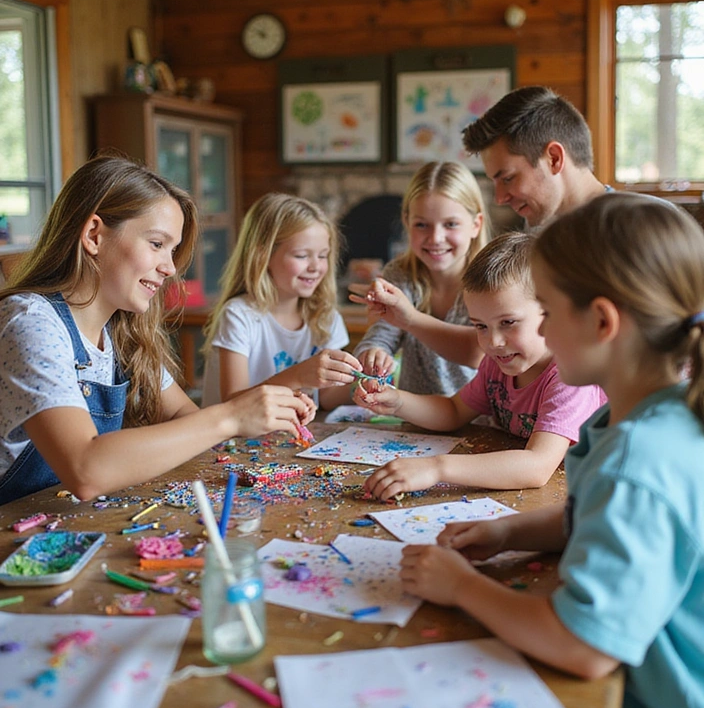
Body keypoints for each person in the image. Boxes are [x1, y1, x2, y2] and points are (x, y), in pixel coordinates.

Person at [400, 194, 704, 708]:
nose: (535, 330)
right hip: (652, 698)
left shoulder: (639, 461)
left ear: (601, 321)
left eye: (547, 307)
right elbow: (589, 516)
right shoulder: (644, 415)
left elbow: (584, 648)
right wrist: (508, 532)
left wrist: (462, 587)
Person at [0, 156, 314, 508]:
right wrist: (230, 417)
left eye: (173, 250)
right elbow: (85, 470)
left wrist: (259, 413)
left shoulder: (121, 331)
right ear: (93, 235)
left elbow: (186, 419)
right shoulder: (30, 322)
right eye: (156, 244)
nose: (170, 268)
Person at [355, 231, 605, 499]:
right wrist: (397, 402)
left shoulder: (572, 375)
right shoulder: (498, 364)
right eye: (481, 326)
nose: (493, 342)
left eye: (508, 323)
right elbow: (453, 411)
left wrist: (436, 468)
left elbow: (537, 466)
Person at [201, 192, 361, 410]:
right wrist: (298, 375)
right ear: (263, 256)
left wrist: (363, 384)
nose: (315, 267)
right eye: (302, 255)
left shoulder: (326, 317)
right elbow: (233, 404)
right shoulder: (238, 315)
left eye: (323, 255)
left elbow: (327, 397)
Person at [351, 161, 488, 391]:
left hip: (479, 412)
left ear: (476, 225)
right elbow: (381, 335)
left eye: (451, 224)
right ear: (406, 222)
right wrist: (374, 353)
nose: (435, 238)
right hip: (414, 411)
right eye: (422, 225)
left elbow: (482, 351)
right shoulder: (399, 274)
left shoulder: (492, 279)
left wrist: (410, 318)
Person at [462, 85, 606, 228]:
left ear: (554, 158)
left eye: (508, 178)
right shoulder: (542, 222)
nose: (500, 199)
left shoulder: (617, 231)